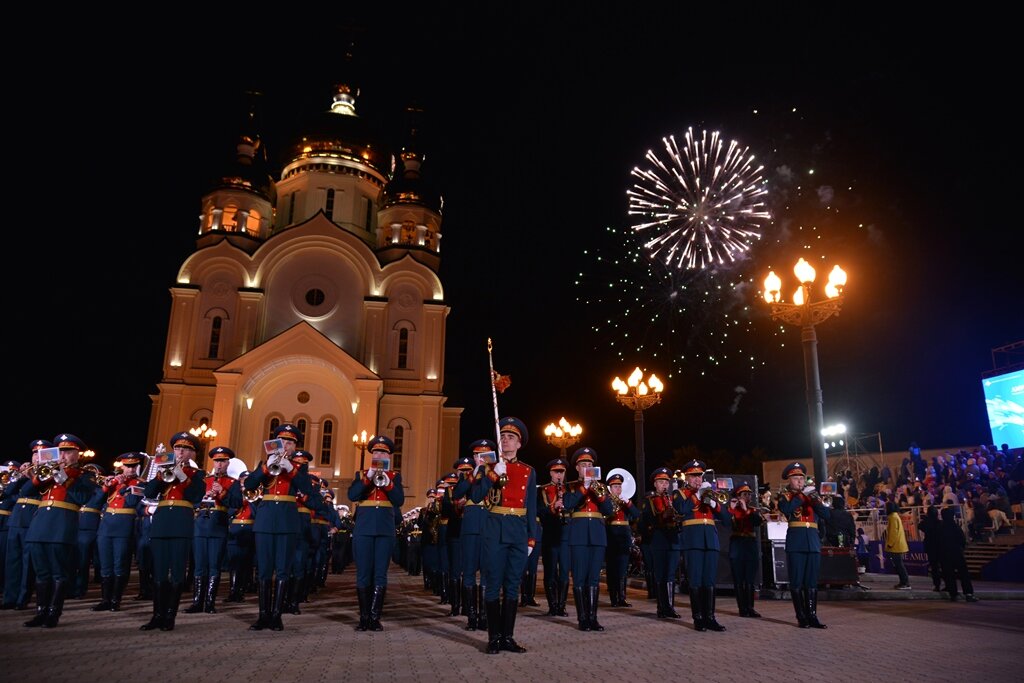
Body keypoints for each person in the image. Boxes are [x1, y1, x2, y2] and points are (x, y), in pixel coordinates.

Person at [471, 416, 537, 654]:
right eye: (503, 437)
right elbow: (477, 496)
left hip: (518, 532)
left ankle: (508, 637)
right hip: (494, 531)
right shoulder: (488, 468)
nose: (506, 441)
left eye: (511, 438)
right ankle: (494, 638)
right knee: (492, 585)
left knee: (512, 587)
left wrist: (532, 538)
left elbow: (531, 507)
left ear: (519, 444)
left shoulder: (528, 471)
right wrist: (491, 475)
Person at [21, 434, 99, 628]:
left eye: (68, 452)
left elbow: (81, 497)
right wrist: (37, 475)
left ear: (77, 454)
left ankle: (54, 613)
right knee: (41, 572)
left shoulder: (84, 474)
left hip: (62, 527)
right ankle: (40, 612)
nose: (63, 455)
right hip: (40, 526)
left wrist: (62, 477)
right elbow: (26, 491)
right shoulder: (47, 471)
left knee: (58, 572)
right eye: (61, 451)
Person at [244, 423, 316, 631]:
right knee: (265, 569)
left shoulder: (300, 468)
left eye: (291, 442)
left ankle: (277, 615)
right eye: (283, 441)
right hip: (266, 518)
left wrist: (291, 469)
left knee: (283, 569)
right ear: (275, 443)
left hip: (287, 519)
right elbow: (249, 485)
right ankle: (262, 615)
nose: (286, 445)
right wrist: (266, 467)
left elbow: (305, 489)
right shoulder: (264, 463)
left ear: (295, 446)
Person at [140, 432, 206, 631]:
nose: (180, 452)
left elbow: (196, 495)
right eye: (177, 448)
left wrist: (183, 476)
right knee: (159, 571)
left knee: (177, 571)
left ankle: (170, 616)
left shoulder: (198, 475)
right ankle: (157, 615)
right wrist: (160, 476)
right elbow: (149, 492)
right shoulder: (163, 470)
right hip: (161, 521)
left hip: (181, 522)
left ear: (193, 454)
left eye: (185, 449)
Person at [347, 434, 404, 631]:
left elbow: (398, 500)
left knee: (380, 573)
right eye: (376, 452)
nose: (379, 455)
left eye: (383, 452)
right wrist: (368, 478)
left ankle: (374, 616)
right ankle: (363, 617)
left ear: (389, 456)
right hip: (364, 527)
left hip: (385, 529)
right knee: (363, 573)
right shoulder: (361, 474)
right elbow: (352, 495)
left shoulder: (395, 476)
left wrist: (387, 482)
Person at [673, 459, 729, 632]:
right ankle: (698, 618)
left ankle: (710, 618)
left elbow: (727, 519)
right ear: (687, 477)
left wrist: (713, 503)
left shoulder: (710, 494)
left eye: (700, 476)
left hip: (710, 540)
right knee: (696, 579)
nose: (698, 480)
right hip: (693, 540)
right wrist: (697, 496)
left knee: (709, 580)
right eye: (694, 476)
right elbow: (681, 509)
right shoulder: (680, 494)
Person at [562, 446, 613, 631]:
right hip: (578, 535)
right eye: (584, 464)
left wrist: (598, 493)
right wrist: (584, 487)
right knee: (580, 577)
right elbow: (567, 504)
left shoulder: (601, 487)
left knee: (593, 578)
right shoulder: (571, 486)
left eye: (590, 464)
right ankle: (582, 618)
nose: (587, 467)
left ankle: (593, 618)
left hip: (598, 535)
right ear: (577, 468)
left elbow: (609, 510)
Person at [777, 461, 830, 629]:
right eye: (796, 478)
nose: (800, 481)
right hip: (796, 542)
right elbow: (786, 509)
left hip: (812, 541)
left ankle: (812, 615)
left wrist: (817, 501)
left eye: (802, 477)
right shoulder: (785, 497)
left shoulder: (812, 496)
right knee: (797, 581)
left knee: (811, 582)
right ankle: (801, 616)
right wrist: (802, 496)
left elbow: (826, 515)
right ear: (789, 480)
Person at [186, 445, 235, 614]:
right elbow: (191, 500)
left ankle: (210, 602)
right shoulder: (204, 481)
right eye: (217, 461)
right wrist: (202, 499)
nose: (219, 464)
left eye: (223, 461)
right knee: (199, 566)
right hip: (200, 525)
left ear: (228, 463)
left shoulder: (232, 483)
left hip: (218, 526)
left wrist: (222, 493)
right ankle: (197, 602)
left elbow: (235, 504)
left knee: (214, 566)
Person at [93, 452, 144, 612]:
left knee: (120, 564)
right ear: (121, 466)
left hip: (124, 525)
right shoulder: (112, 481)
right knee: (105, 565)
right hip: (106, 525)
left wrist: (123, 487)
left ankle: (116, 599)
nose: (130, 469)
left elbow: (132, 502)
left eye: (133, 466)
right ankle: (105, 599)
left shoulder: (140, 483)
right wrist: (107, 486)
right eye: (127, 466)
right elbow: (95, 502)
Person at [3, 441, 49, 610]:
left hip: (33, 519)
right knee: (12, 561)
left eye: (40, 453)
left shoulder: (47, 472)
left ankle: (23, 598)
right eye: (34, 453)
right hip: (16, 520)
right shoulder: (26, 473)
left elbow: (30, 491)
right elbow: (8, 492)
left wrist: (30, 477)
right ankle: (10, 597)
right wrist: (21, 476)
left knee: (27, 562)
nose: (36, 457)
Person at [454, 440, 494, 631]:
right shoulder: (468, 475)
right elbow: (457, 493)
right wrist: (473, 474)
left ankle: (485, 616)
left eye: (485, 455)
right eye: (478, 455)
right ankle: (471, 616)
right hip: (470, 525)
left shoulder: (496, 474)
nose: (482, 458)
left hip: (489, 524)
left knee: (487, 572)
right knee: (469, 571)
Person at [642, 467, 682, 619]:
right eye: (660, 482)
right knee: (661, 574)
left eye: (666, 482)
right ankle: (661, 608)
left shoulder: (673, 500)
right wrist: (664, 515)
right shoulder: (649, 501)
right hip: (659, 540)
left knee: (671, 574)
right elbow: (650, 520)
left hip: (673, 539)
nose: (664, 485)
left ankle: (670, 607)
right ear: (655, 484)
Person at [538, 456, 571, 617]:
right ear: (550, 473)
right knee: (550, 571)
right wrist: (553, 507)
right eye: (556, 472)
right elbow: (539, 511)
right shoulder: (542, 490)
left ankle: (561, 606)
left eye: (562, 472)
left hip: (565, 535)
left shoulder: (570, 490)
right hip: (550, 535)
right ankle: (552, 606)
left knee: (564, 571)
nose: (559, 475)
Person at [604, 471, 640, 607]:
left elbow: (636, 515)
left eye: (619, 486)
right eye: (615, 486)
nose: (618, 489)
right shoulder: (606, 501)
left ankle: (622, 597)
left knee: (623, 567)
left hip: (624, 535)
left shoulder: (625, 501)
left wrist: (629, 503)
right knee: (612, 567)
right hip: (611, 534)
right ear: (610, 488)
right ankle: (614, 598)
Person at [727, 483, 763, 618]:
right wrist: (733, 508)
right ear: (738, 496)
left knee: (749, 579)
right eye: (744, 495)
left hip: (750, 545)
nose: (747, 497)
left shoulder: (753, 510)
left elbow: (757, 522)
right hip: (737, 545)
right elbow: (727, 522)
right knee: (738, 579)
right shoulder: (732, 510)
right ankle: (742, 608)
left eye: (749, 495)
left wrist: (745, 509)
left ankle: (750, 608)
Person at [224, 469, 257, 602]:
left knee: (247, 562)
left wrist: (251, 500)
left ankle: (243, 589)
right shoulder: (234, 495)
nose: (244, 484)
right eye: (243, 481)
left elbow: (257, 514)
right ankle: (233, 591)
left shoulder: (255, 496)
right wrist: (238, 503)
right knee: (234, 563)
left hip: (250, 530)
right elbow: (228, 511)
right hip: (235, 529)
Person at [939, 506, 978, 602]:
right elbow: (962, 540)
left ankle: (954, 594)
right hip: (957, 553)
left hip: (945, 554)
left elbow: (937, 542)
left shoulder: (940, 527)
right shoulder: (955, 526)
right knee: (963, 573)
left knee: (949, 574)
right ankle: (968, 593)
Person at [884, 500, 911, 590]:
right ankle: (903, 582)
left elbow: (893, 532)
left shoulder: (893, 517)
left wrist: (890, 544)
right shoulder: (894, 516)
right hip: (897, 544)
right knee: (898, 565)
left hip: (896, 545)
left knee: (899, 565)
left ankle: (905, 583)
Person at [918, 505, 943, 591]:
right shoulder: (939, 522)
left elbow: (920, 526)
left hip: (931, 546)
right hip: (939, 546)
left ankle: (937, 585)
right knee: (942, 566)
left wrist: (926, 519)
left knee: (934, 567)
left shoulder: (927, 522)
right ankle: (947, 583)